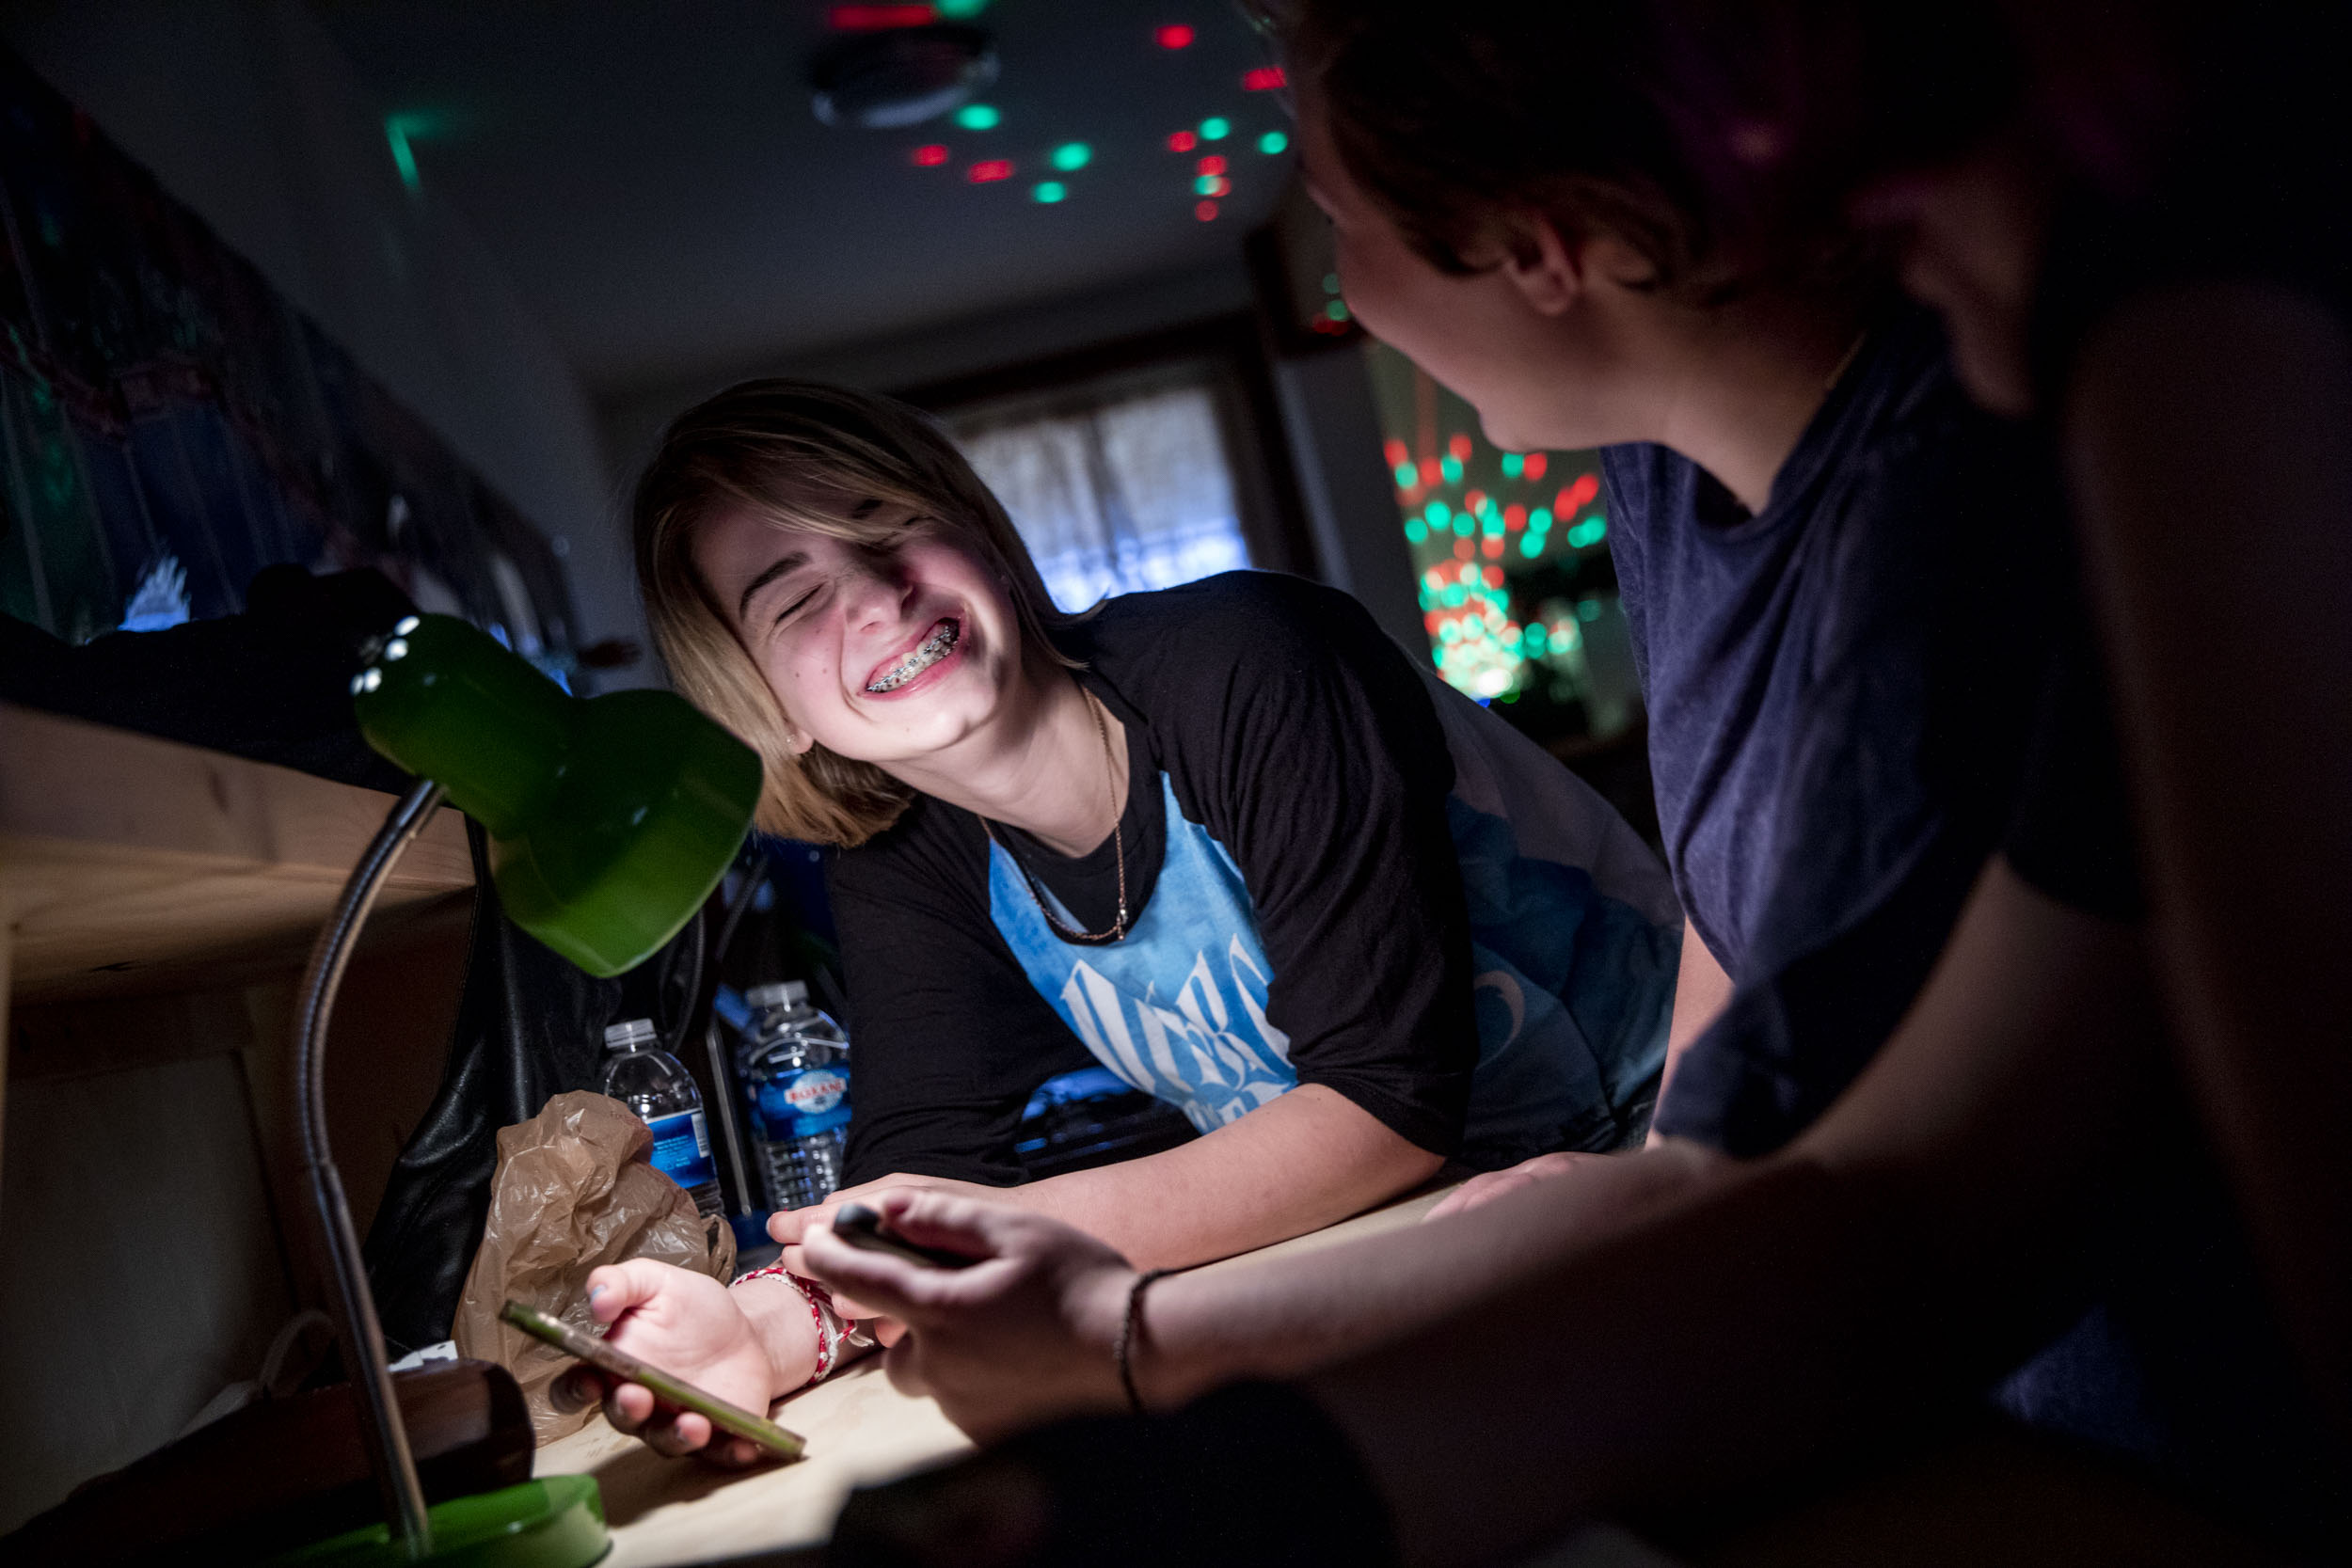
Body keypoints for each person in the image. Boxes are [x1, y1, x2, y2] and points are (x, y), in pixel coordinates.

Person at [797, 0, 2350, 1558]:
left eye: (1341, 219)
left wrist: (1151, 1358)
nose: (1888, 241)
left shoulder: (2140, 379)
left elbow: (1838, 1219)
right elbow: (1893, 1180)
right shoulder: (1706, 476)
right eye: (790, 603)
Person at [561, 376, 1685, 1459]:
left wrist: (990, 1245)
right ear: (768, 706)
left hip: (1672, 1147)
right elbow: (925, 1166)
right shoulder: (905, 857)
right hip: (1414, 1246)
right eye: (795, 600)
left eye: (888, 523)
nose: (873, 594)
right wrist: (764, 1327)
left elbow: (1387, 1104)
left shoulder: (1245, 656)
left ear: (980, 533)